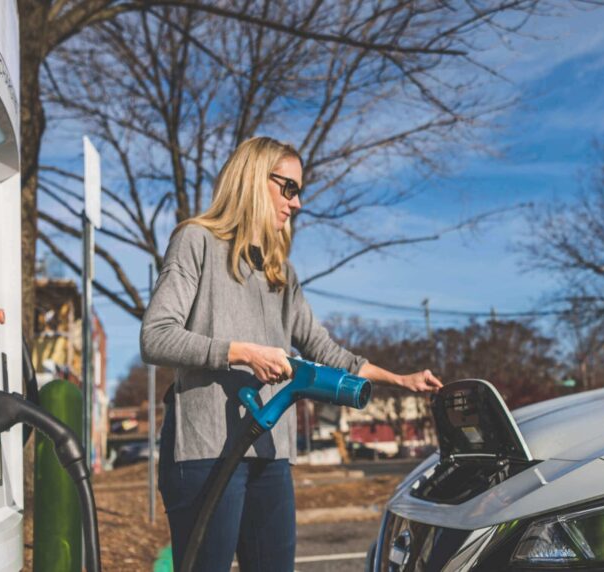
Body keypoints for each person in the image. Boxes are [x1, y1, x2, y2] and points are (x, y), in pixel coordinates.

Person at [140, 136, 443, 571]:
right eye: (289, 188)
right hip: (206, 450)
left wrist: (400, 380)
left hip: (269, 451)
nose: (297, 203)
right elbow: (156, 336)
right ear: (252, 179)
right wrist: (241, 353)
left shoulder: (280, 272)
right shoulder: (196, 241)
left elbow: (321, 347)